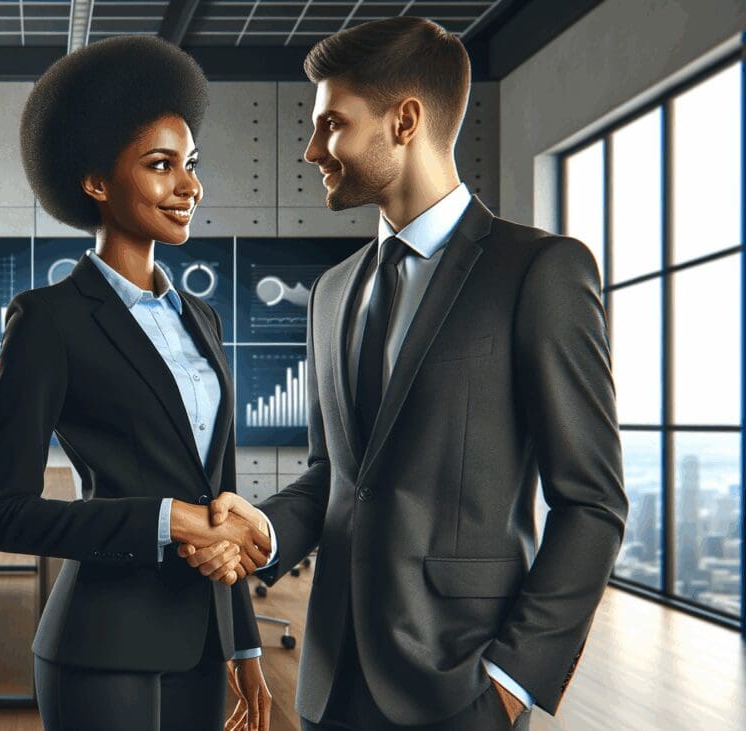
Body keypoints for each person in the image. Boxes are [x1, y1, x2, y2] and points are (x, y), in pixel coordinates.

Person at [180, 16, 628, 731]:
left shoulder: (537, 272)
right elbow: (335, 476)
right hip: (330, 683)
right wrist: (264, 527)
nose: (311, 149)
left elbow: (592, 503)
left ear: (405, 121)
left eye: (332, 124)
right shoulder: (331, 292)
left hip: (461, 686)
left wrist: (510, 683)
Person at [0, 35, 273, 731]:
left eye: (191, 165)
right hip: (100, 644)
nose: (189, 186)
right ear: (96, 182)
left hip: (202, 643)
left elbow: (221, 495)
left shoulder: (202, 318)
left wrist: (245, 641)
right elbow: (4, 512)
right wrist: (164, 518)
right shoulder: (48, 320)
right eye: (161, 165)